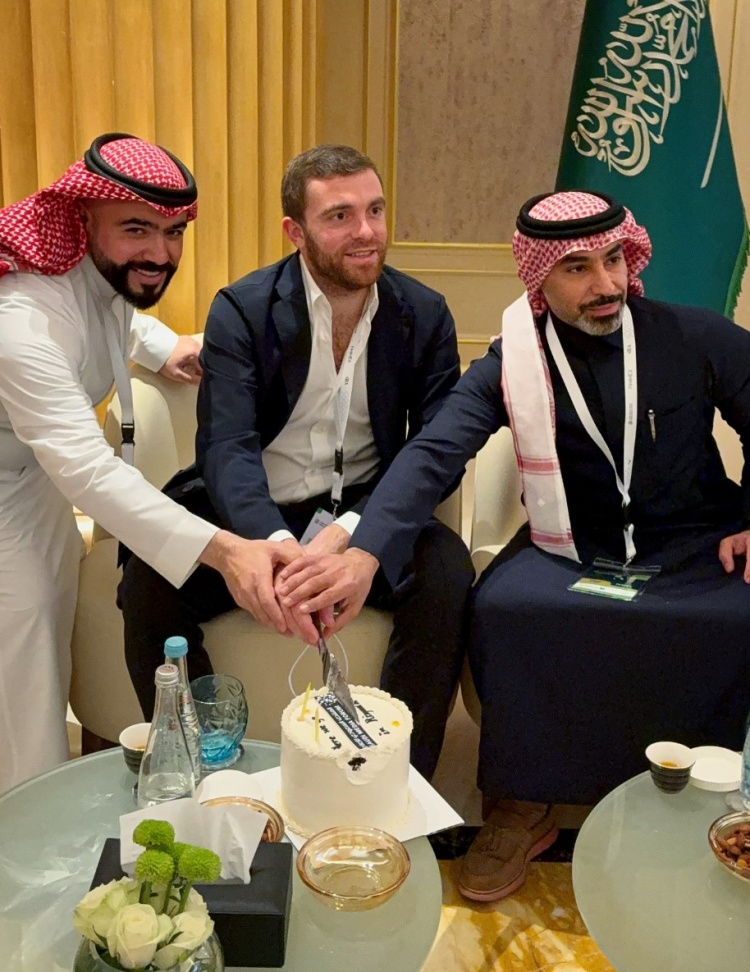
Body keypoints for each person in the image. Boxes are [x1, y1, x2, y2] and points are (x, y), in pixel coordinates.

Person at [277, 189, 750, 901]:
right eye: (578, 268)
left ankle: (715, 794)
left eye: (614, 259)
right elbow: (434, 452)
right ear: (538, 277)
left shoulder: (696, 336)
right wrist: (364, 552)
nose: (607, 283)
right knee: (505, 607)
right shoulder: (515, 362)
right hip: (572, 545)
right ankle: (521, 803)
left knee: (735, 615)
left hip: (695, 541)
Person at [120, 144, 474, 780]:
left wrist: (355, 535)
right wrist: (275, 547)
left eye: (375, 210)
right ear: (296, 231)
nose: (366, 232)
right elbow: (225, 446)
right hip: (254, 511)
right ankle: (197, 772)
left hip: (366, 508)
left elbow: (434, 453)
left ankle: (398, 782)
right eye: (340, 216)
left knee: (446, 573)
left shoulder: (423, 314)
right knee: (150, 574)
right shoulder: (244, 308)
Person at [0, 133, 297, 794]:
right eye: (136, 229)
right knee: (21, 675)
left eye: (173, 231)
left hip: (30, 480)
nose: (160, 253)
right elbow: (89, 470)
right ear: (81, 219)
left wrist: (166, 349)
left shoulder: (86, 274)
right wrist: (225, 551)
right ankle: (25, 830)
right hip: (18, 486)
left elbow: (113, 318)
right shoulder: (20, 320)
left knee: (44, 650)